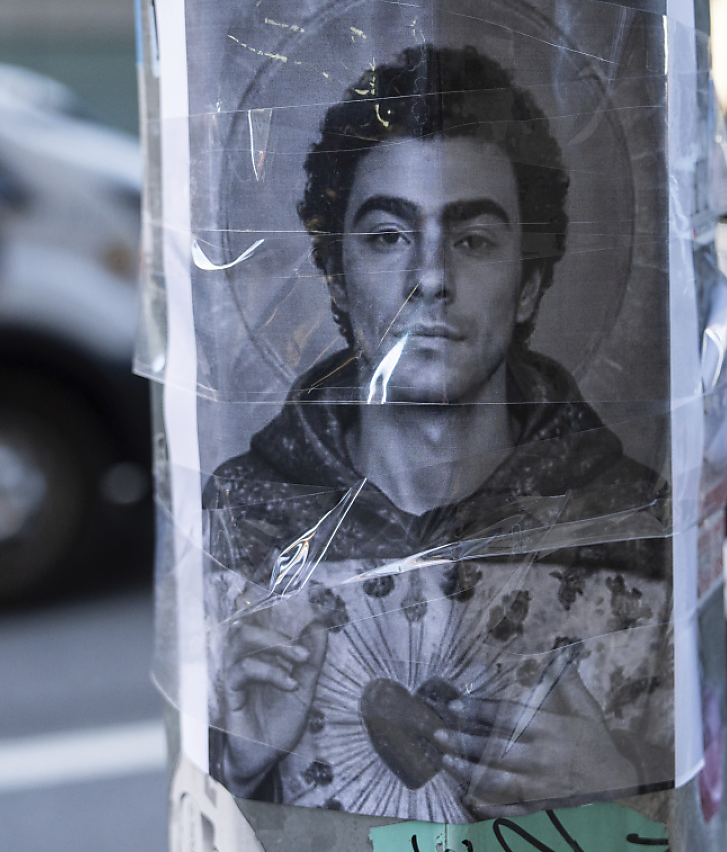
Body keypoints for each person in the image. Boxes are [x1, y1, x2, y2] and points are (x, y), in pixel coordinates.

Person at [203, 44, 670, 818]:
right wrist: (244, 762)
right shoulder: (250, 515)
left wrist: (619, 787)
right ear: (336, 278)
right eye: (388, 237)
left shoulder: (628, 521)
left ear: (529, 286)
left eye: (473, 240)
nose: (430, 278)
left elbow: (694, 792)